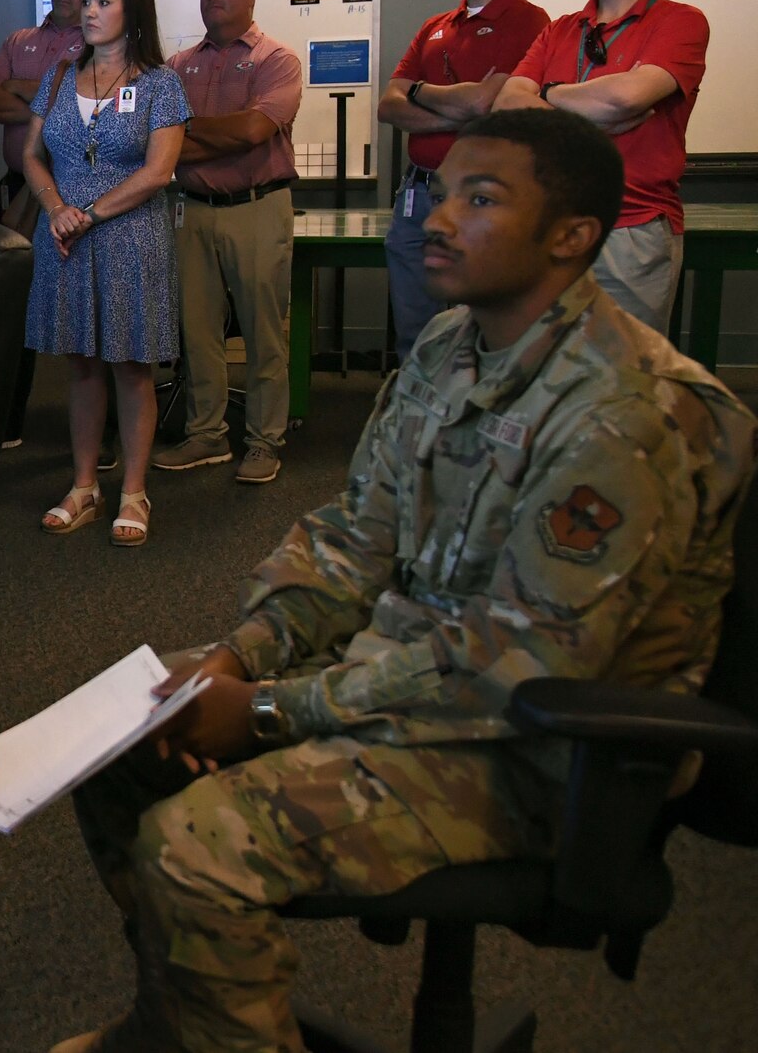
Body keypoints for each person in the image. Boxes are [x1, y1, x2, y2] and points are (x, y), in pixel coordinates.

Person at [53, 109, 755, 1053]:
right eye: (438, 190)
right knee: (126, 737)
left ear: (572, 236)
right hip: (406, 676)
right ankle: (180, 1021)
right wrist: (234, 657)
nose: (436, 215)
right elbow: (352, 537)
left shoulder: (628, 412)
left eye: (481, 197)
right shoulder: (448, 347)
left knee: (196, 851)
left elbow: (513, 664)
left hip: (537, 748)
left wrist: (267, 711)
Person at [21, 0, 188, 546]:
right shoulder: (62, 75)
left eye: (102, 1)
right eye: (85, 0)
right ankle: (84, 484)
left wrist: (87, 214)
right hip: (63, 235)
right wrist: (54, 208)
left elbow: (159, 171)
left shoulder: (160, 84)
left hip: (129, 238)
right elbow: (32, 155)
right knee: (81, 363)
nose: (88, 10)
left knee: (130, 365)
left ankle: (134, 492)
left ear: (131, 10)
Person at [497, 0, 709, 333]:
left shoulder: (681, 22)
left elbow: (625, 100)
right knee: (543, 371)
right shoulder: (560, 30)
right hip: (548, 226)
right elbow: (507, 102)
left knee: (624, 377)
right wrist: (580, 104)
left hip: (631, 228)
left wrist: (549, 93)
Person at [154, 0, 303, 485]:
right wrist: (181, 143)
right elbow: (160, 142)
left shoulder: (277, 59)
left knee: (264, 336)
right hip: (191, 212)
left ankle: (264, 442)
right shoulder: (178, 65)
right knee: (197, 333)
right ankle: (207, 435)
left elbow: (253, 133)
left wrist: (184, 140)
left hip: (257, 209)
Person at [376, 0, 549, 355]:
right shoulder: (435, 27)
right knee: (416, 334)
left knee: (484, 333)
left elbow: (487, 103)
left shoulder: (532, 22)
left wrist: (420, 92)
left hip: (484, 197)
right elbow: (389, 105)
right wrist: (456, 106)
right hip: (417, 196)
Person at [0, 0, 99, 448]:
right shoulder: (20, 40)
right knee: (9, 305)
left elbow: (87, 114)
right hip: (16, 191)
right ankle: (8, 422)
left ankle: (100, 435)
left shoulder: (100, 43)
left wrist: (26, 91)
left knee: (89, 310)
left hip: (75, 196)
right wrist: (47, 100)